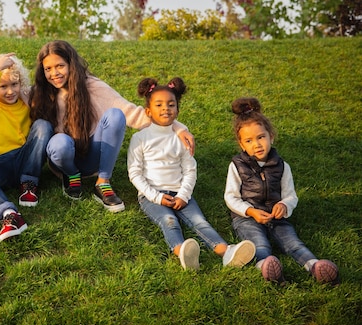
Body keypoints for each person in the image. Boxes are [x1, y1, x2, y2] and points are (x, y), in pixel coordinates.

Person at [29, 40, 194, 213]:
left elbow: (131, 112)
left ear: (71, 64)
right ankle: (71, 176)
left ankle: (103, 182)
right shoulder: (39, 93)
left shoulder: (92, 86)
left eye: (60, 66)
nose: (54, 73)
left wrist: (177, 127)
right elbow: (9, 96)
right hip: (62, 159)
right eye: (48, 69)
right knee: (60, 142)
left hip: (91, 155)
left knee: (116, 115)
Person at [127, 77, 255, 270]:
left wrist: (184, 195)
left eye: (171, 104)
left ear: (177, 110)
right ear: (148, 111)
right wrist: (157, 197)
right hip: (151, 196)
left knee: (200, 222)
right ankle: (182, 253)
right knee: (168, 221)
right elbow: (135, 173)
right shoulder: (140, 138)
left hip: (180, 192)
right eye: (159, 104)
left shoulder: (181, 138)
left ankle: (226, 252)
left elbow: (190, 170)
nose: (165, 109)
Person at [224, 97, 339, 285]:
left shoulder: (282, 166)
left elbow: (291, 195)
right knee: (259, 243)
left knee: (292, 242)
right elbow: (230, 196)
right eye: (249, 140)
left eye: (261, 137)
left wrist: (284, 205)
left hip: (276, 216)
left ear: (271, 136)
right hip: (247, 217)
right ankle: (266, 265)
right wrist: (250, 211)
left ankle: (314, 265)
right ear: (242, 145)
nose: (257, 144)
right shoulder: (237, 166)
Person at [0, 53, 53, 241]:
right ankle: (8, 213)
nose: (10, 91)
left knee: (43, 125)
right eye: (3, 86)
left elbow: (43, 99)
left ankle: (29, 185)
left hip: (25, 160)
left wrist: (28, 99)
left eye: (14, 85)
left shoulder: (25, 103)